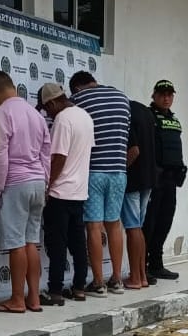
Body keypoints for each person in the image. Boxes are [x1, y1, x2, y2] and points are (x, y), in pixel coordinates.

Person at [0, 70, 51, 313]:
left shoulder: (2, 114)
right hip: (37, 183)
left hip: (15, 184)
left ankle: (17, 300)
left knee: (16, 245)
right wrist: (45, 183)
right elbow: (46, 154)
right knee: (32, 242)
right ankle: (34, 298)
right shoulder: (36, 114)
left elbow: (0, 156)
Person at [69, 71, 134, 295]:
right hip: (118, 172)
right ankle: (117, 279)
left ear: (77, 88)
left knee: (94, 226)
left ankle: (98, 282)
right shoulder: (122, 97)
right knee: (114, 224)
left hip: (94, 171)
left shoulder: (79, 100)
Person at [37, 83, 94, 305]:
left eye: (45, 109)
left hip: (60, 192)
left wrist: (48, 186)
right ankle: (79, 288)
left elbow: (59, 157)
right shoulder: (85, 117)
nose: (47, 114)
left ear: (52, 102)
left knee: (57, 244)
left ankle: (55, 292)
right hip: (79, 191)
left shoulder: (62, 119)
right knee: (78, 243)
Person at [143, 79, 187, 283]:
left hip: (171, 179)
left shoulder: (174, 120)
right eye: (162, 94)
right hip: (155, 179)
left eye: (170, 94)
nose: (166, 98)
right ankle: (141, 267)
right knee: (149, 224)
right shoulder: (149, 116)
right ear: (154, 96)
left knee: (164, 223)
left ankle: (157, 265)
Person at [122, 98, 159, 289]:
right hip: (149, 177)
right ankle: (142, 275)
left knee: (132, 228)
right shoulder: (145, 111)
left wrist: (120, 170)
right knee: (139, 228)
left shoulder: (124, 112)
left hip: (134, 178)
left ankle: (135, 278)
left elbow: (133, 150)